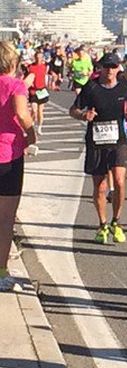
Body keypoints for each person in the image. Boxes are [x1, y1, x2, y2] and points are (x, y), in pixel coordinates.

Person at [69, 53, 127, 244]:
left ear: (118, 68)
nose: (110, 70)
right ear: (100, 67)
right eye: (106, 66)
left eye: (114, 66)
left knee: (120, 181)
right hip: (97, 141)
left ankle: (117, 221)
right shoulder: (91, 87)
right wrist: (84, 115)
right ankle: (102, 224)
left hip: (118, 140)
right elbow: (73, 110)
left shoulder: (125, 86)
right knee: (100, 187)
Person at [0, 41, 37, 291]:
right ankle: (1, 271)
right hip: (8, 154)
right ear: (13, 62)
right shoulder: (16, 85)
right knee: (5, 218)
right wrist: (31, 136)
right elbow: (22, 114)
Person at [27, 51, 50, 135]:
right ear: (35, 57)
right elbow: (27, 77)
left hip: (42, 90)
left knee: (40, 111)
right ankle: (31, 125)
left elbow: (47, 76)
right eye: (37, 57)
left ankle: (39, 127)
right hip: (33, 91)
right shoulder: (30, 67)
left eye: (40, 57)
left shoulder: (45, 67)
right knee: (34, 110)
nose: (38, 59)